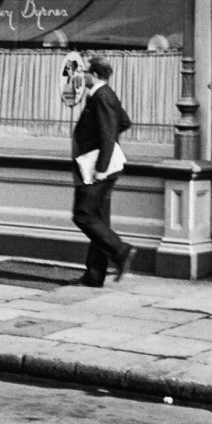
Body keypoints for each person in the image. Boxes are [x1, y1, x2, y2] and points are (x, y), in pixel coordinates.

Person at [71, 55, 135, 287]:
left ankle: (121, 250)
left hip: (97, 168)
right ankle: (95, 275)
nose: (82, 75)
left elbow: (109, 134)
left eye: (85, 71)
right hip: (102, 165)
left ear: (95, 75)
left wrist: (100, 167)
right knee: (98, 218)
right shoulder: (104, 95)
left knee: (83, 214)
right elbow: (124, 122)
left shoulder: (102, 97)